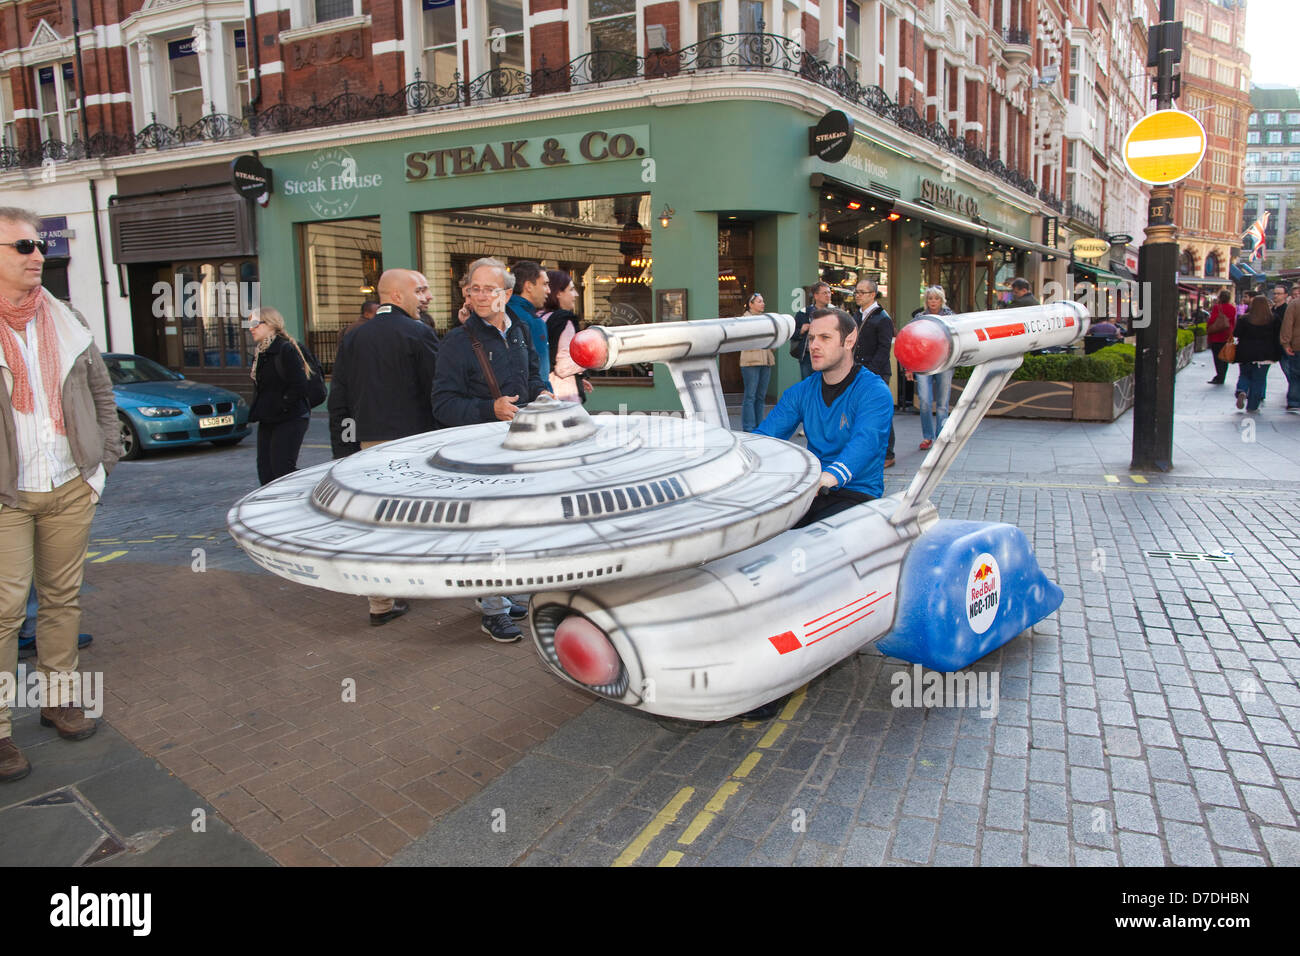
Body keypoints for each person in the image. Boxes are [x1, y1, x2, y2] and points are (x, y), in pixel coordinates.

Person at [0, 207, 120, 781]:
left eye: (39, 244)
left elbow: (102, 393)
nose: (36, 254)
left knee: (62, 599)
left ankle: (59, 699)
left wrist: (103, 464)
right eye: (21, 246)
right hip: (7, 493)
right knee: (2, 613)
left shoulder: (66, 318)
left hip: (69, 483)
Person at [433, 257, 551, 642]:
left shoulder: (519, 331)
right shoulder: (457, 341)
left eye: (490, 289)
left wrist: (543, 392)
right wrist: (491, 409)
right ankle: (493, 608)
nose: (481, 296)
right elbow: (442, 404)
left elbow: (532, 376)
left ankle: (504, 592)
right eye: (474, 288)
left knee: (514, 525)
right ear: (466, 292)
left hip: (517, 448)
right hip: (478, 453)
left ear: (508, 294)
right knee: (485, 531)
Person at [327, 268, 439, 626]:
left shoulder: (354, 337)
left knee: (377, 521)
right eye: (420, 291)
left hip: (369, 444)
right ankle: (416, 580)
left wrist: (343, 449)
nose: (428, 297)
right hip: (416, 445)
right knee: (416, 517)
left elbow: (339, 397)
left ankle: (380, 600)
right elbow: (436, 394)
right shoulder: (419, 334)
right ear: (396, 296)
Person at [755, 307, 893, 528]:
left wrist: (828, 477)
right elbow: (763, 438)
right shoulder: (800, 392)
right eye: (811, 339)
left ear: (849, 341)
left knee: (806, 544)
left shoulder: (873, 391)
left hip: (856, 494)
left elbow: (865, 443)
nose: (814, 346)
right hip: (812, 492)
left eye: (825, 338)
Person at [247, 307, 311, 486]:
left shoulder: (285, 349)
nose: (251, 328)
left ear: (271, 324)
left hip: (290, 417)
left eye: (255, 323)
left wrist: (281, 404)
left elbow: (299, 386)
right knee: (265, 470)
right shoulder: (260, 352)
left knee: (282, 469)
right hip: (268, 418)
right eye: (249, 323)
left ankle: (308, 492)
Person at [851, 277, 895, 467]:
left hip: (875, 372)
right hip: (857, 369)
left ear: (872, 294)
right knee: (860, 411)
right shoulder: (856, 316)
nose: (857, 295)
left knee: (879, 411)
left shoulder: (882, 318)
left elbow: (884, 349)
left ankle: (888, 454)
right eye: (856, 292)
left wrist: (871, 373)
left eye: (861, 292)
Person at [908, 286, 956, 450]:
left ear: (942, 300)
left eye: (936, 298)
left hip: (944, 362)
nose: (933, 302)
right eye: (930, 298)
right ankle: (927, 436)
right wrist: (909, 367)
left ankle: (942, 435)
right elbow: (911, 342)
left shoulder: (950, 317)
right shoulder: (920, 317)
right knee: (925, 401)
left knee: (942, 403)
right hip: (923, 364)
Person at [540, 269, 594, 404]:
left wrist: (577, 379)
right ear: (558, 293)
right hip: (564, 397)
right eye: (571, 290)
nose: (575, 294)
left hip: (542, 393)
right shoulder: (564, 321)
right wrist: (591, 360)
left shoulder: (539, 318)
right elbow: (564, 366)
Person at [1232, 294, 1283, 413]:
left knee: (1244, 374)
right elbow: (1278, 336)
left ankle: (1242, 390)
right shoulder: (1274, 319)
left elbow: (1236, 333)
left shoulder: (1244, 319)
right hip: (1265, 354)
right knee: (1258, 379)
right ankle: (1252, 406)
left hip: (1245, 352)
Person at [505, 261, 551, 380]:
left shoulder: (499, 313)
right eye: (545, 284)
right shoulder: (533, 321)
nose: (548, 290)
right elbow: (541, 372)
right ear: (529, 286)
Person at [737, 293, 775, 432]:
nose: (762, 304)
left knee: (761, 396)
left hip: (766, 360)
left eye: (763, 301)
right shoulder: (744, 320)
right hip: (750, 361)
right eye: (759, 301)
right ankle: (748, 427)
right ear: (751, 304)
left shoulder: (766, 319)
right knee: (750, 395)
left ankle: (760, 425)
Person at [790, 282, 832, 380]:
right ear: (816, 296)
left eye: (829, 293)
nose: (828, 295)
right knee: (808, 386)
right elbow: (792, 333)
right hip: (808, 357)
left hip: (828, 355)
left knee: (826, 386)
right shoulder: (803, 312)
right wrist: (801, 330)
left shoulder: (835, 312)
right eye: (824, 293)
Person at [1206, 288, 1237, 385]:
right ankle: (1222, 375)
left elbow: (1212, 320)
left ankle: (1219, 376)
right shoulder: (1233, 308)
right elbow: (1233, 322)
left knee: (1217, 357)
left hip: (1216, 336)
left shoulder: (1217, 307)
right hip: (1227, 335)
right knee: (1224, 356)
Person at [1280, 286, 1300, 412]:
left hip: (1297, 344)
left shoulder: (1294, 304)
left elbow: (1287, 324)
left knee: (1295, 374)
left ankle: (1294, 401)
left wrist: (1286, 343)